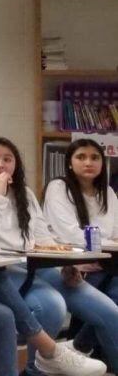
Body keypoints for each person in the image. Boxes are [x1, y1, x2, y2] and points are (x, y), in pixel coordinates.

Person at [0, 137, 118, 376]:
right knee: (51, 306)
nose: (0, 165)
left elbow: (42, 238)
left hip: (35, 266)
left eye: (8, 159)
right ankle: (35, 371)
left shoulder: (24, 194)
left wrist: (64, 265)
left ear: (15, 165)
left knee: (109, 312)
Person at [44, 139, 118, 356]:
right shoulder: (58, 187)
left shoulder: (108, 193)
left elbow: (115, 232)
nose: (89, 162)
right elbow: (68, 233)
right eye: (81, 157)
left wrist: (104, 243)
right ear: (69, 162)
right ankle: (81, 346)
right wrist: (107, 243)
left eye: (95, 158)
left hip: (104, 261)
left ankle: (79, 345)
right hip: (70, 261)